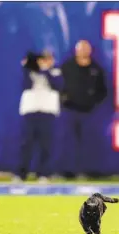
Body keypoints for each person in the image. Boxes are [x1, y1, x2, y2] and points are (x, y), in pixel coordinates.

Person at [60, 40, 107, 179]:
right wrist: (64, 98)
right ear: (76, 50)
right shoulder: (68, 66)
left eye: (87, 48)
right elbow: (59, 84)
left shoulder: (96, 69)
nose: (84, 51)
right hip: (70, 109)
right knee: (68, 141)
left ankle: (87, 170)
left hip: (88, 111)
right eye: (81, 48)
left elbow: (103, 90)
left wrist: (93, 101)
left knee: (88, 141)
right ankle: (68, 171)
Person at [14, 52, 63, 183]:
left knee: (45, 144)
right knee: (26, 143)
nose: (44, 62)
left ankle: (43, 173)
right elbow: (25, 85)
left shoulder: (56, 72)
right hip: (30, 110)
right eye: (42, 59)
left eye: (48, 59)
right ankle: (21, 173)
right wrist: (26, 68)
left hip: (48, 111)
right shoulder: (29, 72)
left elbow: (57, 86)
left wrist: (46, 70)